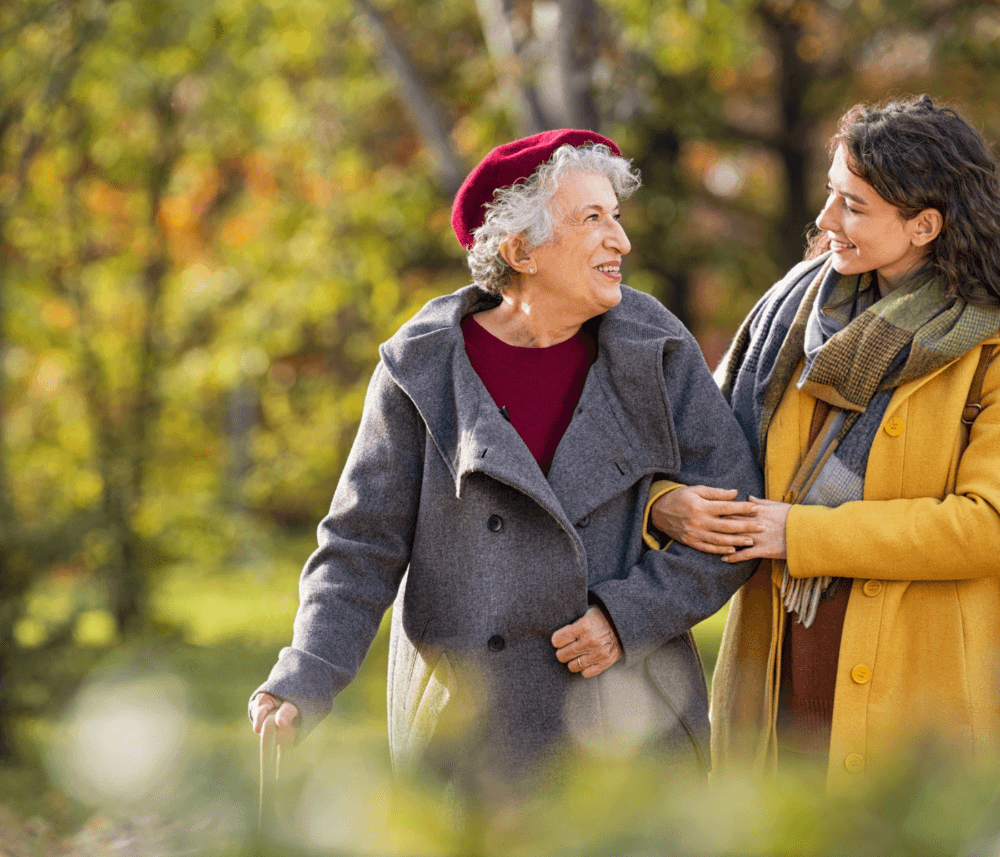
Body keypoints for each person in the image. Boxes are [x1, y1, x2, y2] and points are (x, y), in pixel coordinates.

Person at [249, 129, 762, 793]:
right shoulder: (422, 368)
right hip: (470, 733)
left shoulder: (656, 347)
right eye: (592, 219)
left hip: (629, 726)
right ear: (520, 250)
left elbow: (737, 518)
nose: (621, 241)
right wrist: (304, 676)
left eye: (616, 215)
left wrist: (628, 614)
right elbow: (359, 545)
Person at [647, 95, 1000, 791]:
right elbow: (700, 446)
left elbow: (985, 523)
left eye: (854, 205)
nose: (825, 220)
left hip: (917, 690)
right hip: (776, 665)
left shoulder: (987, 349)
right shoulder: (790, 318)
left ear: (925, 225)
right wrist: (666, 501)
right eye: (831, 193)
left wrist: (802, 534)